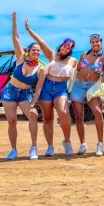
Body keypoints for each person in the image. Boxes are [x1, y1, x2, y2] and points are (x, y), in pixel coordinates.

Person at [27, 21, 78, 156]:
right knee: (47, 118)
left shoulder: (73, 61)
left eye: (68, 48)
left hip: (61, 88)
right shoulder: (51, 55)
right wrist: (29, 30)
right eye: (64, 46)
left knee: (64, 113)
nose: (65, 49)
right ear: (61, 46)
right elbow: (40, 41)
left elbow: (77, 75)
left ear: (70, 50)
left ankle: (67, 142)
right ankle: (50, 146)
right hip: (46, 86)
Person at [2, 12, 40, 161]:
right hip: (10, 92)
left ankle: (34, 147)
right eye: (33, 50)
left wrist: (34, 103)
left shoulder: (40, 69)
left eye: (38, 50)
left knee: (33, 115)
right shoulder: (20, 59)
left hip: (25, 94)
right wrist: (14, 22)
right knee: (11, 121)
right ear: (28, 51)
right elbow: (16, 39)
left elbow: (38, 88)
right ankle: (13, 150)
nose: (36, 51)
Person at [70, 34, 104, 156]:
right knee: (78, 116)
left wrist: (103, 97)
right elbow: (77, 70)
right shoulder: (84, 55)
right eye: (92, 42)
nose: (95, 44)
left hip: (93, 88)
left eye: (97, 41)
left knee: (97, 112)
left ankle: (100, 143)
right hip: (78, 86)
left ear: (101, 43)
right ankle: (82, 144)